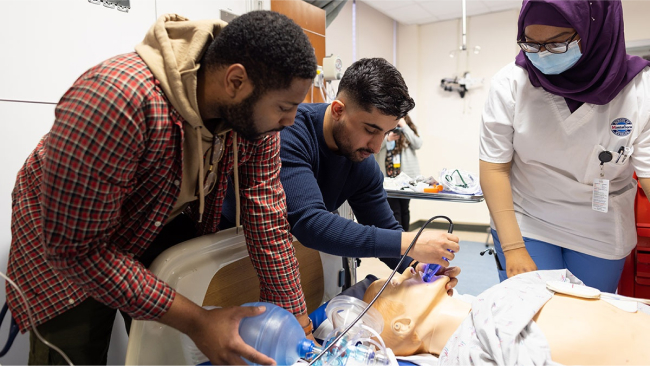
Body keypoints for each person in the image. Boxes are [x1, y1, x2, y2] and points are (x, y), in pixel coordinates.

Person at [6, 11, 317, 365]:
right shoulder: (118, 99)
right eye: (285, 107)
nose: (290, 121)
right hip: (70, 238)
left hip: (152, 216)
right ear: (235, 81)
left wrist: (296, 320)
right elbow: (76, 251)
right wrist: (198, 321)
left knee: (167, 343)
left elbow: (268, 220)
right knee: (74, 347)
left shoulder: (254, 122)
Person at [221, 58, 460, 283]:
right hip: (223, 245)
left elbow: (385, 228)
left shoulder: (362, 163)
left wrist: (418, 264)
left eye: (385, 133)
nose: (376, 146)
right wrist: (409, 241)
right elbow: (310, 222)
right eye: (370, 130)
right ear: (338, 110)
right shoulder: (290, 133)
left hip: (283, 253)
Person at [479, 0, 650, 293]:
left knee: (588, 320)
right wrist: (513, 248)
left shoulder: (639, 89)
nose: (542, 55)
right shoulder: (510, 83)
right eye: (530, 43)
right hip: (526, 219)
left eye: (558, 44)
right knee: (532, 320)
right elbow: (494, 168)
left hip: (601, 225)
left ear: (596, 30)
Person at [363, 268, 650, 365]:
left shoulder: (494, 301)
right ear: (403, 325)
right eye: (397, 283)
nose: (410, 270)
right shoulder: (480, 347)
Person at [376, 114, 422, 230]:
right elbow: (374, 147)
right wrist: (387, 139)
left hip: (406, 179)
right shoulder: (384, 127)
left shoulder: (407, 131)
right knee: (394, 209)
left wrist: (404, 126)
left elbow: (418, 143)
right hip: (389, 179)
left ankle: (405, 236)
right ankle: (399, 238)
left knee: (405, 209)